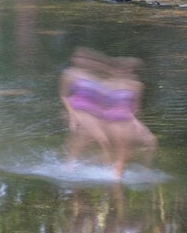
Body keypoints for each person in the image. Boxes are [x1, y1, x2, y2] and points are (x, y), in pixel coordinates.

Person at [59, 48, 157, 180]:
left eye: (130, 69)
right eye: (125, 68)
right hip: (98, 115)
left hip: (124, 118)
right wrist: (73, 115)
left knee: (150, 142)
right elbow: (67, 96)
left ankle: (142, 173)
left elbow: (134, 107)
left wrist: (135, 122)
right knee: (103, 141)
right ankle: (85, 168)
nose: (127, 71)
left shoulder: (136, 85)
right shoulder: (77, 76)